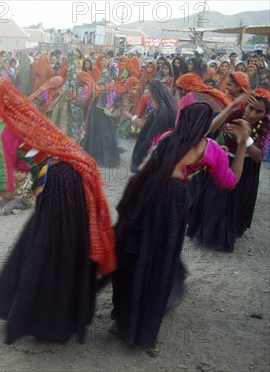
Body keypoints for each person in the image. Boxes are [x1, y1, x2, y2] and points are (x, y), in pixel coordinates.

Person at [0, 77, 116, 353]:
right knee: (51, 251)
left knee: (50, 257)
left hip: (59, 187)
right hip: (69, 181)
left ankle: (53, 334)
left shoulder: (4, 131)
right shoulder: (22, 119)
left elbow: (7, 191)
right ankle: (49, 321)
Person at [111, 102, 250, 353]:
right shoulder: (211, 150)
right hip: (173, 206)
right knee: (160, 264)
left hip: (146, 197)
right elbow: (229, 183)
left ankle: (121, 319)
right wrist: (242, 145)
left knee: (134, 258)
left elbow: (143, 169)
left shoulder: (167, 138)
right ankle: (142, 331)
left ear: (180, 119)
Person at [186, 90, 270, 251]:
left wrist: (245, 140)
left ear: (266, 114)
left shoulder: (265, 125)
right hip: (223, 159)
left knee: (235, 199)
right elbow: (210, 128)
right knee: (215, 197)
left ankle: (228, 231)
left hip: (245, 166)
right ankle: (207, 233)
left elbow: (258, 156)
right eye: (250, 108)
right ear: (244, 106)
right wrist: (233, 104)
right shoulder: (236, 113)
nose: (252, 114)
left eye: (259, 111)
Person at [130, 80, 178, 172]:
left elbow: (149, 139)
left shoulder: (162, 112)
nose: (149, 96)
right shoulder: (168, 107)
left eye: (150, 92)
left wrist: (139, 160)